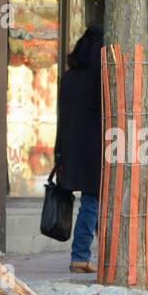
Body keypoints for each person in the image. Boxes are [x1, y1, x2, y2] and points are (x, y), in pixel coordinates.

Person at [55, 25, 104, 273]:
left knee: (93, 201)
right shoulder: (96, 80)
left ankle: (100, 252)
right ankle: (80, 255)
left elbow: (62, 116)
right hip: (94, 149)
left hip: (72, 147)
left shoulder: (69, 77)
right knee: (92, 201)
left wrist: (59, 152)